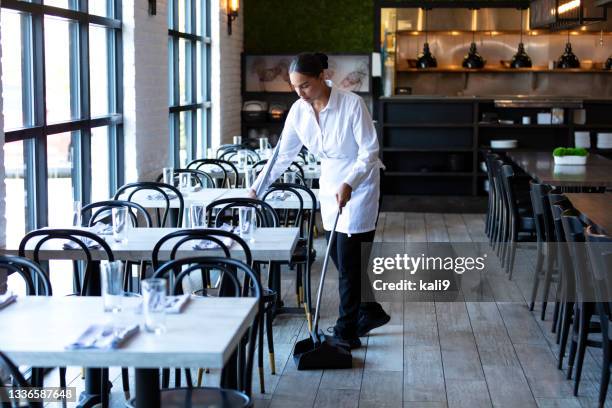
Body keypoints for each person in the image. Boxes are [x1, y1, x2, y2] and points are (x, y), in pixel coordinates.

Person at [248, 52, 390, 348]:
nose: (299, 93)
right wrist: (256, 189)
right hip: (329, 187)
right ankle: (370, 311)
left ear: (323, 77)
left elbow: (369, 151)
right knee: (341, 257)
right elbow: (282, 155)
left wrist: (350, 183)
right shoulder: (298, 111)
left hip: (359, 185)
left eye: (305, 85)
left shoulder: (352, 104)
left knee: (349, 261)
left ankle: (346, 331)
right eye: (294, 86)